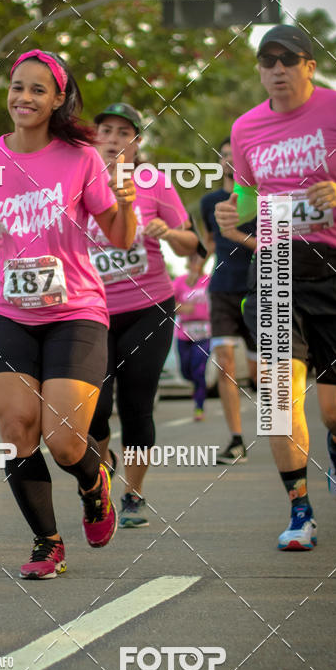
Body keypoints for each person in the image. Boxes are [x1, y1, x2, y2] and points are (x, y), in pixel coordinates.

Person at [0, 50, 137, 578]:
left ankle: (94, 485)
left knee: (64, 440)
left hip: (76, 313)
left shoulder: (82, 158)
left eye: (38, 89)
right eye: (17, 87)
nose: (23, 97)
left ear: (58, 99)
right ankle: (48, 542)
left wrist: (127, 200)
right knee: (18, 428)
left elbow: (120, 235)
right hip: (8, 312)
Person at [215, 23, 336, 551]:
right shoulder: (246, 128)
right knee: (278, 397)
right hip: (276, 267)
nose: (276, 69)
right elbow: (248, 196)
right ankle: (300, 511)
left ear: (309, 65)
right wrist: (234, 213)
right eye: (267, 60)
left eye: (288, 59)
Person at [87, 103, 198, 527]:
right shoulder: (78, 183)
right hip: (92, 311)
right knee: (94, 409)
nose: (114, 139)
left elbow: (192, 244)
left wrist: (169, 233)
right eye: (106, 130)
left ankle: (132, 495)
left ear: (137, 143)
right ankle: (102, 474)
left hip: (149, 307)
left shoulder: (154, 183)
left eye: (124, 133)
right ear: (93, 138)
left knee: (137, 403)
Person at [201, 138, 257, 462]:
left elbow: (271, 242)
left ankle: (280, 429)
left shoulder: (261, 199)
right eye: (224, 156)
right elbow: (210, 241)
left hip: (257, 288)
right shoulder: (210, 201)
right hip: (221, 288)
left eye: (236, 156)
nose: (230, 161)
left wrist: (238, 236)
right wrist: (197, 265)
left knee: (259, 371)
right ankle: (236, 440)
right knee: (225, 364)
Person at [172, 254, 211, 421]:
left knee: (199, 369)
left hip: (205, 331)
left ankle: (199, 407)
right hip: (184, 332)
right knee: (186, 371)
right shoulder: (180, 281)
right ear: (187, 263)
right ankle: (195, 384)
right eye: (192, 259)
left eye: (198, 260)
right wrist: (180, 307)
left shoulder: (210, 281)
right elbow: (168, 303)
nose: (194, 263)